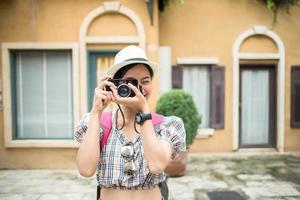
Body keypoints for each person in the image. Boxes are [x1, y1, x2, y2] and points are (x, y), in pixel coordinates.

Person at [74, 45, 186, 200]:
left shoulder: (165, 125)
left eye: (145, 81)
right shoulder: (99, 123)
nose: (138, 88)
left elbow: (157, 165)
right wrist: (96, 112)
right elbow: (85, 170)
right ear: (115, 84)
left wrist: (144, 112)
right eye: (130, 81)